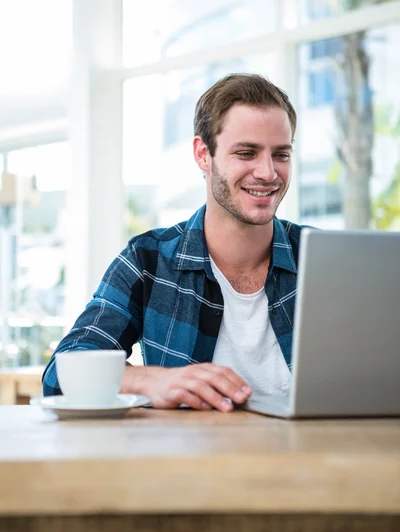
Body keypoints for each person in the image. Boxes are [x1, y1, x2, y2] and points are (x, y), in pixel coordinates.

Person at [43, 73, 303, 413]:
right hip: (188, 465)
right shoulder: (148, 260)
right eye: (246, 152)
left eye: (280, 155)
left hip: (317, 462)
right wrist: (152, 382)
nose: (268, 172)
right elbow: (61, 373)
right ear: (203, 155)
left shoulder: (325, 259)